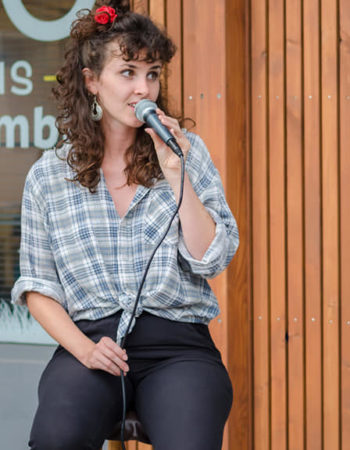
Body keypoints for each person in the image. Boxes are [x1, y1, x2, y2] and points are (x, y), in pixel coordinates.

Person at [10, 1, 239, 449]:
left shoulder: (186, 153)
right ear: (92, 81)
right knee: (57, 439)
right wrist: (84, 349)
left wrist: (177, 174)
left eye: (152, 74)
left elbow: (212, 258)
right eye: (128, 72)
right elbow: (37, 287)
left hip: (178, 345)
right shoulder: (49, 175)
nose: (143, 89)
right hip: (90, 343)